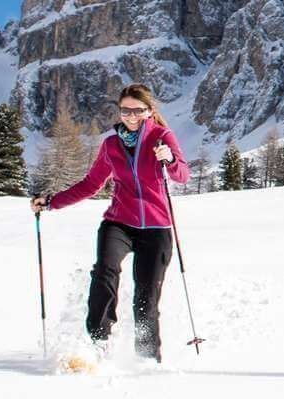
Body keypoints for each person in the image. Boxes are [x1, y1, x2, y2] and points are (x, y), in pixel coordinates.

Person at [31, 84, 189, 362]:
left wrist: (171, 159)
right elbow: (91, 184)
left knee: (146, 297)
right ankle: (97, 344)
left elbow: (182, 175)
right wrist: (52, 201)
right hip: (119, 222)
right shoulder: (111, 144)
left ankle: (147, 359)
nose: (130, 116)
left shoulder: (162, 138)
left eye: (137, 111)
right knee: (105, 272)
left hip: (156, 228)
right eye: (125, 110)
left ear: (149, 111)